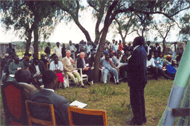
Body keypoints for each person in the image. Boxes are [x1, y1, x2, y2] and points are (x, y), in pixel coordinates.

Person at [125, 36, 147, 125]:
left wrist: (124, 67)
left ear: (136, 42)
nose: (133, 42)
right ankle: (142, 117)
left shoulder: (136, 51)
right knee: (141, 99)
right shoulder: (143, 50)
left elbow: (133, 66)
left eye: (134, 41)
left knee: (135, 100)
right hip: (142, 79)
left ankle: (137, 120)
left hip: (136, 80)